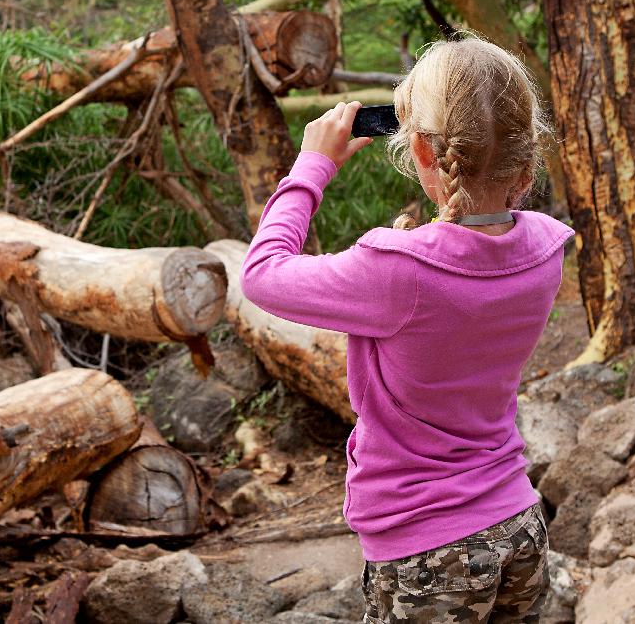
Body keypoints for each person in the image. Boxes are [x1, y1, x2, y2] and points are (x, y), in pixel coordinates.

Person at [240, 36, 573, 623]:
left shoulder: (400, 269)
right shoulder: (547, 249)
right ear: (525, 163)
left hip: (428, 548)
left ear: (419, 146)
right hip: (519, 526)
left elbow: (263, 275)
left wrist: (311, 165)